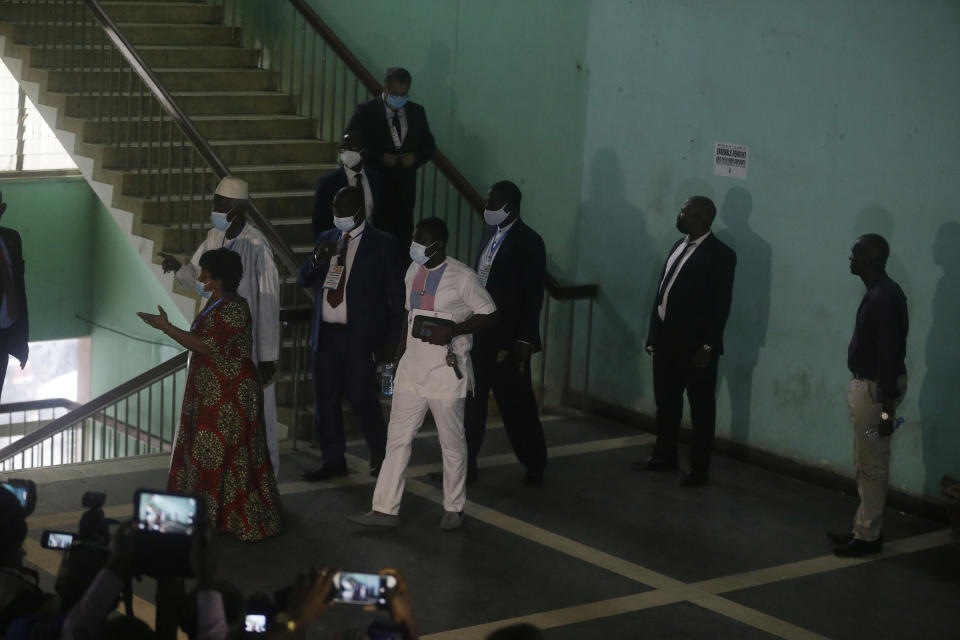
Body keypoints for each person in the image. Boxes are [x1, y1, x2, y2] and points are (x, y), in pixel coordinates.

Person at [348, 218, 497, 531]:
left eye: (420, 241)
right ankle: (384, 509)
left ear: (437, 245)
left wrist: (454, 329)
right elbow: (407, 315)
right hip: (411, 372)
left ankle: (454, 507)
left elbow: (489, 314)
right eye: (414, 239)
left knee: (452, 444)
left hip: (445, 372)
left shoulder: (462, 277)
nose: (413, 246)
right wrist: (398, 356)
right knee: (397, 440)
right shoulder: (413, 270)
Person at [138, 248, 282, 541]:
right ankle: (208, 517)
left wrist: (166, 327)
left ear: (218, 279)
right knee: (208, 454)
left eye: (205, 273)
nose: (200, 277)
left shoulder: (233, 308)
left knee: (226, 456)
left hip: (230, 396)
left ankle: (233, 519)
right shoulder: (216, 301)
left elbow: (205, 345)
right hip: (213, 392)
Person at [160, 176, 281, 478]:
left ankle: (261, 482)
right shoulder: (214, 236)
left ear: (238, 208)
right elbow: (200, 280)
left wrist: (267, 355)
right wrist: (180, 270)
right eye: (215, 203)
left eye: (221, 205)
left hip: (243, 345)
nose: (215, 210)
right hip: (211, 341)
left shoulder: (257, 246)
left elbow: (267, 302)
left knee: (253, 417)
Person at [298, 186, 404, 480]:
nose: (339, 214)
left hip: (360, 338)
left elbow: (396, 296)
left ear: (360, 210)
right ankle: (333, 460)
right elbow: (302, 278)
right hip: (326, 337)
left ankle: (379, 453)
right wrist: (318, 259)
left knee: (362, 397)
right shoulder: (326, 238)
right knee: (325, 400)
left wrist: (391, 342)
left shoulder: (383, 244)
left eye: (345, 209)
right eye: (335, 208)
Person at [633, 196, 736, 487]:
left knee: (701, 408)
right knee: (666, 403)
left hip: (695, 348)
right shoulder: (679, 245)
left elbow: (720, 305)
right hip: (666, 341)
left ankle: (699, 469)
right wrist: (654, 334)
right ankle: (664, 455)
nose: (679, 216)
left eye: (684, 212)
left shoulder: (721, 255)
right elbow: (662, 293)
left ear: (701, 218)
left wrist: (708, 346)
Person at [828, 234, 908, 557]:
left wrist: (886, 412)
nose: (850, 258)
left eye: (855, 254)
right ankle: (862, 525)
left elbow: (888, 357)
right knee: (865, 458)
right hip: (873, 389)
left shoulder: (882, 298)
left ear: (870, 261)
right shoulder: (880, 293)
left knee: (872, 462)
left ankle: (868, 536)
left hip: (876, 392)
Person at [463, 181, 547, 485]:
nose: (487, 210)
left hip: (508, 338)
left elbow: (532, 295)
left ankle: (535, 462)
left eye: (493, 205)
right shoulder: (489, 233)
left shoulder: (529, 242)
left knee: (516, 405)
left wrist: (525, 340)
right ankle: (466, 465)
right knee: (472, 404)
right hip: (481, 333)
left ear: (510, 207)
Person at [346, 67, 436, 248]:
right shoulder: (366, 111)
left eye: (404, 94)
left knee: (402, 242)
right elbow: (350, 144)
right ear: (385, 88)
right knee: (377, 239)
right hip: (375, 185)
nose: (399, 98)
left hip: (405, 189)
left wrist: (415, 157)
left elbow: (429, 146)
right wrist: (379, 157)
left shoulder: (416, 112)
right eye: (395, 93)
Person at [311, 130, 384, 239]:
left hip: (372, 242)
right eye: (343, 149)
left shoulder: (376, 179)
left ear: (363, 151)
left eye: (352, 148)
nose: (347, 153)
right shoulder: (328, 182)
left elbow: (383, 216)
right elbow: (320, 222)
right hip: (342, 242)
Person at [0, 189, 29, 398]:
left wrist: (21, 343)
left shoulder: (11, 238)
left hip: (5, 336)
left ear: (2, 209)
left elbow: (19, 289)